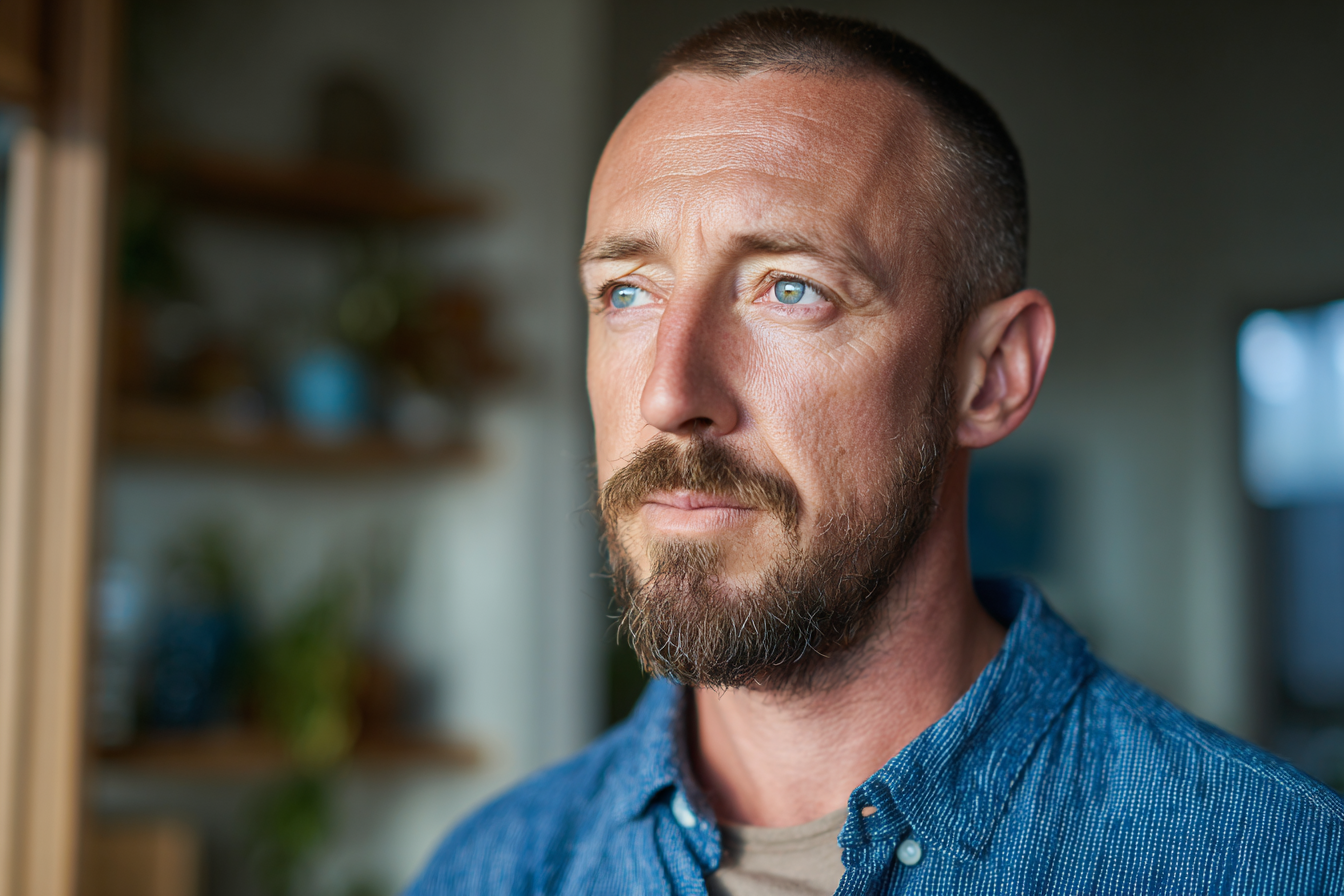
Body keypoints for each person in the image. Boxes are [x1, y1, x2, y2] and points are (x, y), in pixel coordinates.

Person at [408, 9, 1344, 895]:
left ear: (993, 375)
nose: (668, 394)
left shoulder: (1266, 863)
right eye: (625, 293)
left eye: (788, 288)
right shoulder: (495, 868)